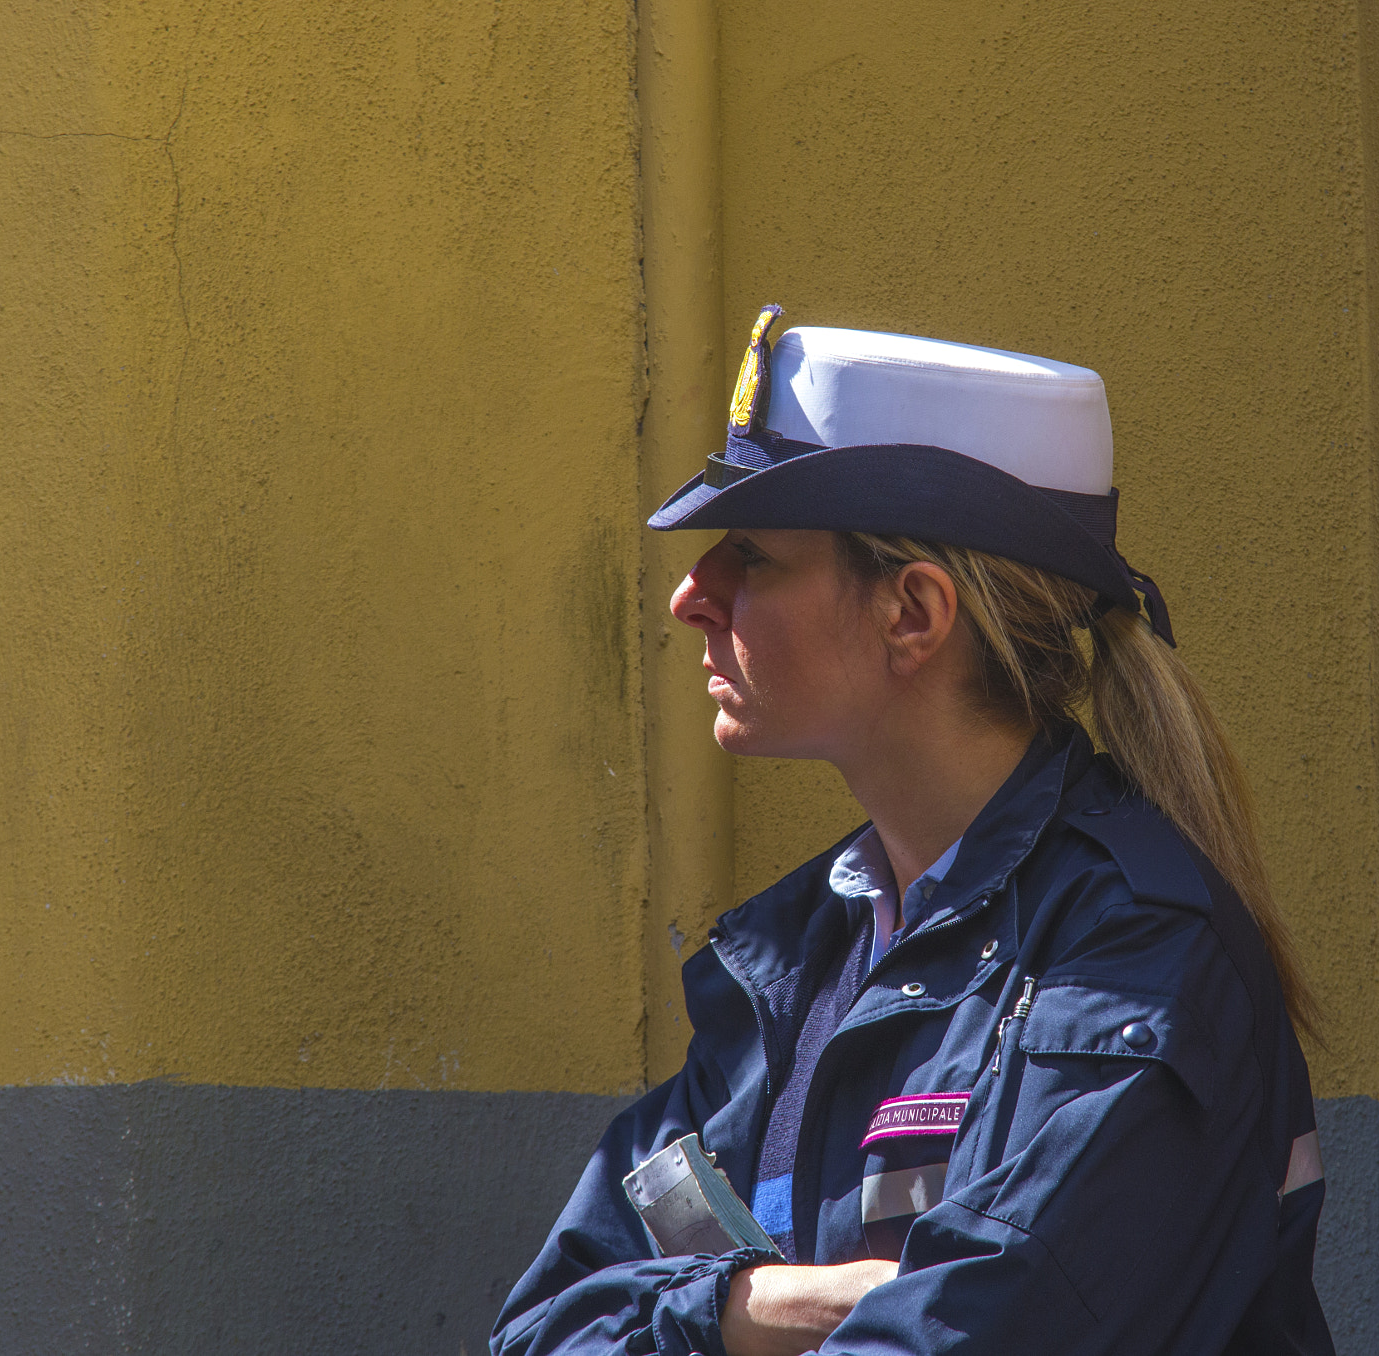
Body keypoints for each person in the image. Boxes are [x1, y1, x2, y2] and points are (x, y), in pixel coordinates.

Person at [491, 306, 1336, 1356]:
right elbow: (538, 1334)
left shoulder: (1135, 963)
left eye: (749, 555)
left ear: (913, 615)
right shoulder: (796, 956)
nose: (689, 596)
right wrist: (764, 1306)